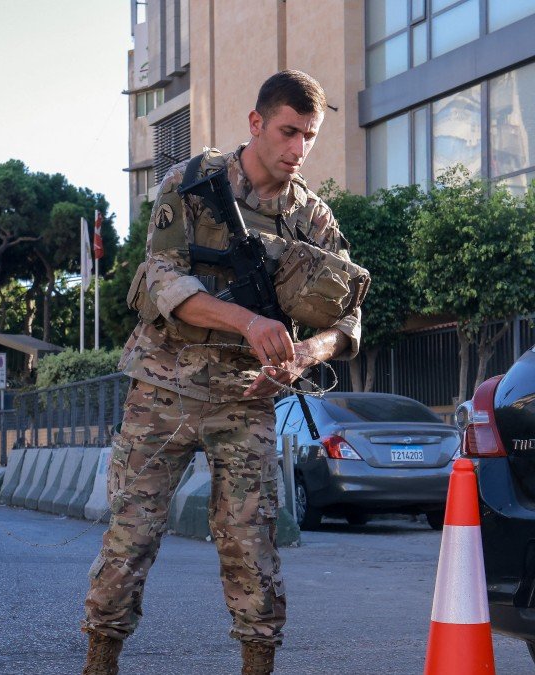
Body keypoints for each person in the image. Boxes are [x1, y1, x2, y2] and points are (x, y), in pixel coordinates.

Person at [80, 70, 362, 675]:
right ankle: (100, 659)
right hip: (164, 385)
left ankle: (258, 664)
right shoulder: (191, 182)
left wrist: (301, 356)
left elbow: (350, 323)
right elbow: (160, 279)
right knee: (131, 537)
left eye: (309, 137)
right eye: (288, 132)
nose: (297, 149)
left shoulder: (311, 219)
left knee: (253, 543)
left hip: (247, 399)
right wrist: (248, 323)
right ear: (256, 123)